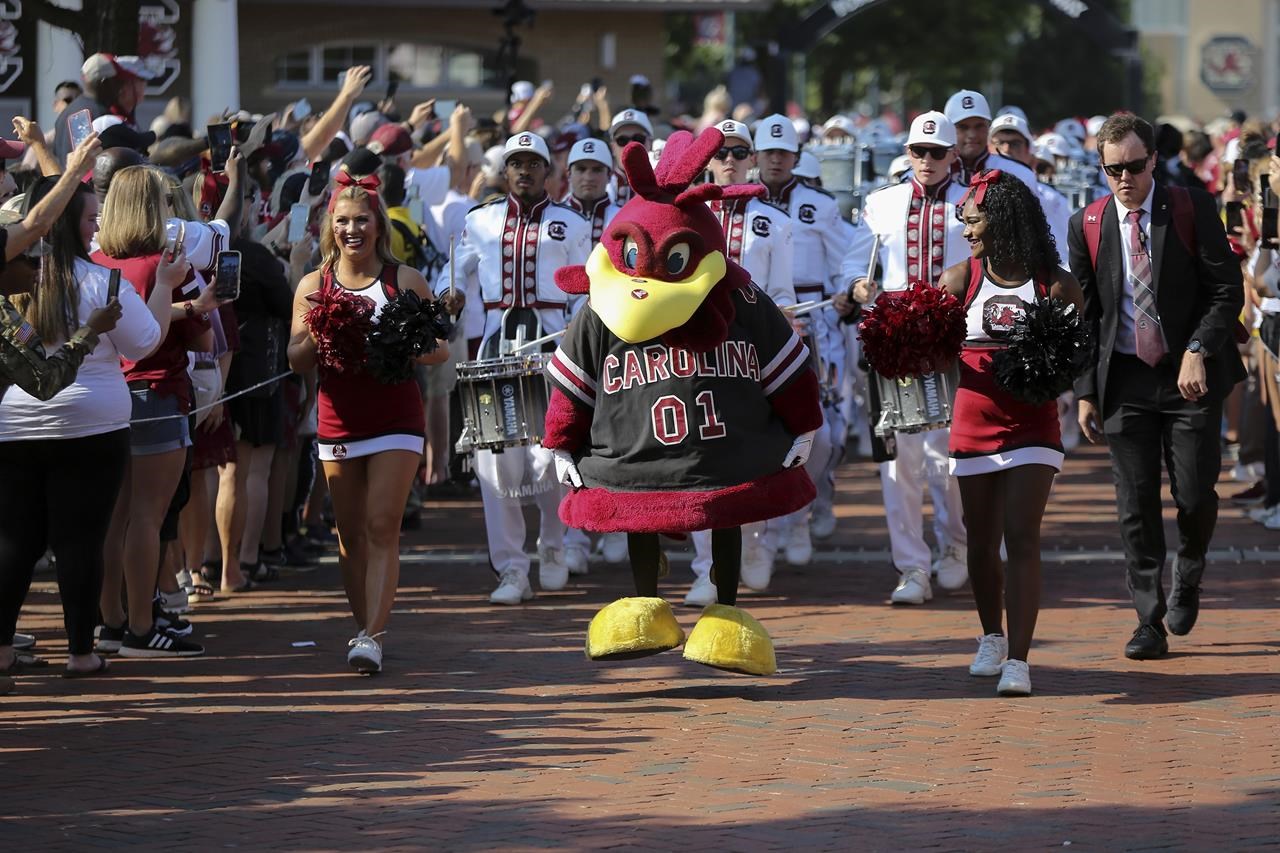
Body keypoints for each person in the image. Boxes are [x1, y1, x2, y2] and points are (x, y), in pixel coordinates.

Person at [1070, 113, 1245, 660]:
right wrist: (1083, 390)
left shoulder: (1191, 208)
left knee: (1193, 493)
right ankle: (1148, 620)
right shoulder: (1089, 224)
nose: (1125, 178)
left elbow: (1226, 291)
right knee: (1134, 501)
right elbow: (1086, 315)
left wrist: (1197, 350)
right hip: (1124, 379)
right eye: (1112, 169)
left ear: (1153, 162)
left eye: (1134, 166)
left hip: (1189, 378)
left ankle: (1188, 575)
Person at [287, 168, 450, 674]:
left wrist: (398, 340)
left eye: (361, 220)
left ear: (379, 224)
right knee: (349, 534)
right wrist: (324, 329)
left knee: (383, 526)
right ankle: (365, 628)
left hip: (396, 418)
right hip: (338, 420)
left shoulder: (403, 280)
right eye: (342, 221)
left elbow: (438, 350)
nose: (352, 230)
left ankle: (372, 636)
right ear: (329, 226)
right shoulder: (315, 283)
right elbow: (295, 357)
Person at [0, 175, 160, 680]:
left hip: (18, 427)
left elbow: (36, 369)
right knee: (79, 540)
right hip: (91, 424)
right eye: (91, 218)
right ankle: (80, 652)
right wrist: (165, 291)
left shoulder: (15, 287)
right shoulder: (99, 281)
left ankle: (2, 650)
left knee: (16, 541)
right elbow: (143, 342)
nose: (96, 229)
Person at [938, 170, 1085, 696]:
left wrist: (1064, 379)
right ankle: (990, 636)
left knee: (1021, 536)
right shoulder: (959, 280)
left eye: (973, 219)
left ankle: (1019, 660)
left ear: (1001, 219)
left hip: (1033, 424)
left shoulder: (1055, 283)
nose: (966, 229)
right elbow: (933, 351)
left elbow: (1077, 353)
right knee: (981, 538)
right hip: (972, 423)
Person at [435, 132, 591, 604]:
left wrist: (581, 332)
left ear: (550, 172)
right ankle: (510, 569)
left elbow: (588, 287)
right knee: (498, 464)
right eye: (515, 163)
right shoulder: (479, 220)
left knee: (551, 457)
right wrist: (451, 293)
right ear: (504, 171)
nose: (524, 170)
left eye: (533, 163)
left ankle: (554, 544)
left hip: (554, 350)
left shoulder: (571, 222)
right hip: (498, 350)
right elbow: (453, 269)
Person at [839, 111, 971, 604]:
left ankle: (956, 547)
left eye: (938, 152)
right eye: (919, 151)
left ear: (953, 155)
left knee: (950, 455)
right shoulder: (882, 203)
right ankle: (911, 567)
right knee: (898, 462)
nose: (928, 160)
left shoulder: (971, 202)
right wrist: (856, 285)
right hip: (894, 347)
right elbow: (856, 260)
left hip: (952, 347)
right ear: (909, 152)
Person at [93, 166, 218, 658]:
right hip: (157, 391)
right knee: (147, 515)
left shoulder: (96, 259)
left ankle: (113, 621)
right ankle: (142, 627)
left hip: (108, 394)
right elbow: (202, 339)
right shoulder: (166, 262)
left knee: (117, 516)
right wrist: (198, 307)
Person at [685, 118, 797, 605]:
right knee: (697, 455)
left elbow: (781, 297)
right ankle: (704, 567)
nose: (729, 160)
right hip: (694, 348)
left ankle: (755, 541)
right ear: (707, 159)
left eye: (739, 152)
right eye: (721, 152)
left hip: (750, 352)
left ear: (752, 159)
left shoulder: (776, 223)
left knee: (749, 451)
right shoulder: (685, 217)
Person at [752, 113, 854, 584]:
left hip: (812, 323)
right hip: (752, 325)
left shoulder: (818, 206)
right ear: (756, 156)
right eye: (767, 151)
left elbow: (849, 257)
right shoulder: (739, 206)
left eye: (783, 151)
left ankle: (803, 514)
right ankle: (765, 535)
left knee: (822, 433)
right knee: (759, 432)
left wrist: (842, 295)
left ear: (795, 157)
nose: (775, 159)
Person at [53, 54, 155, 162]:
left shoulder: (64, 114)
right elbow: (88, 166)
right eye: (117, 81)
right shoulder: (102, 117)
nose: (120, 87)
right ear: (105, 82)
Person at [943, 89, 1038, 193]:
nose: (972, 135)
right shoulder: (932, 172)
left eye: (979, 126)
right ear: (948, 130)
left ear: (988, 127)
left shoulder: (1019, 174)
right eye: (963, 127)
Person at [608, 109, 653, 205]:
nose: (630, 146)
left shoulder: (664, 188)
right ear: (612, 148)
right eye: (622, 140)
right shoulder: (600, 186)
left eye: (638, 139)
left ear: (650, 143)